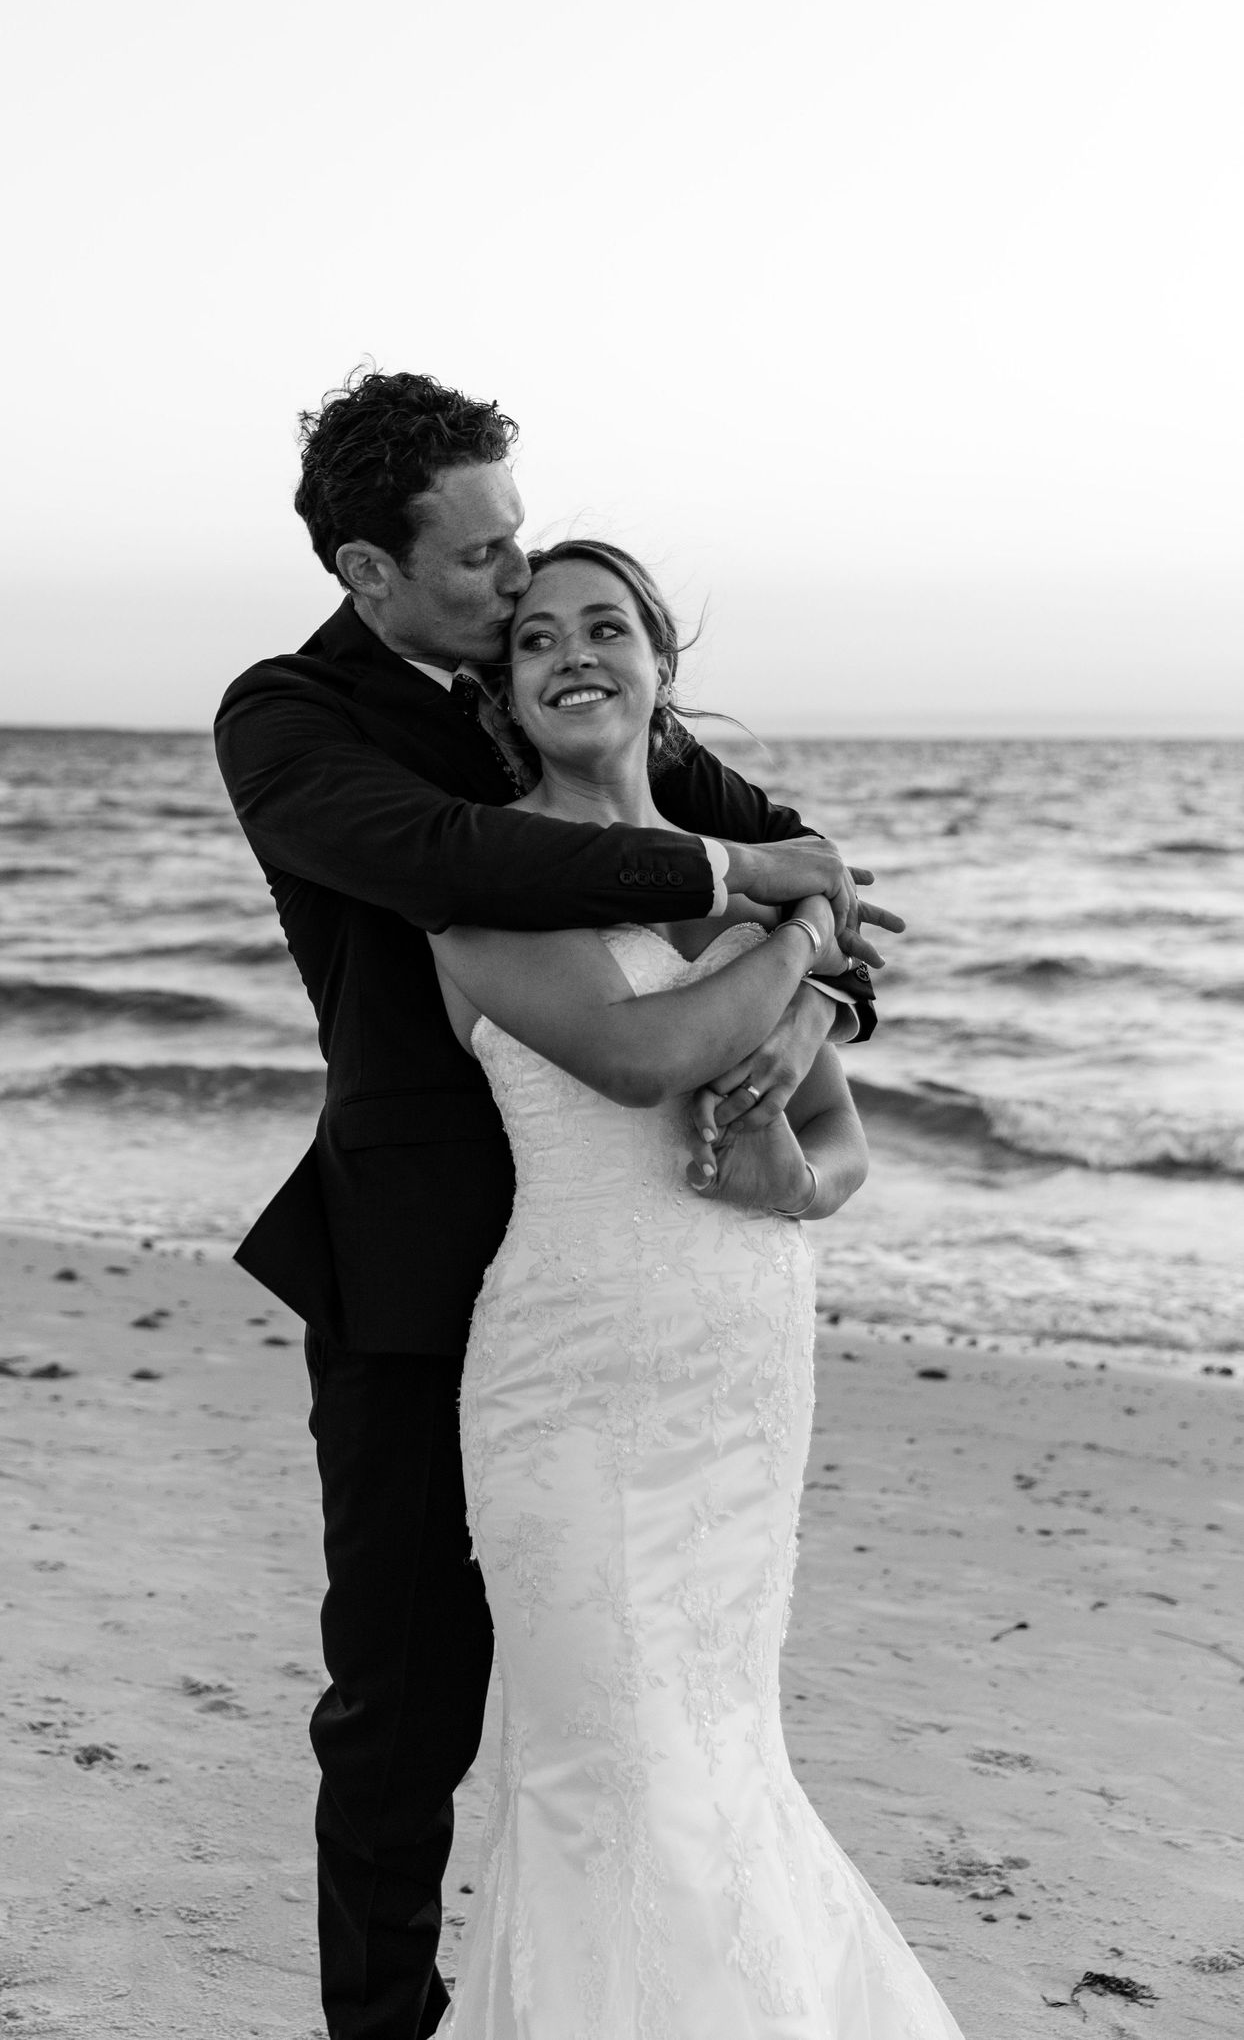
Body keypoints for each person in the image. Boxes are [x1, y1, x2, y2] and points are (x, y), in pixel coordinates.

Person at [213, 370, 901, 2040]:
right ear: (371, 573)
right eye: (485, 563)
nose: (525, 593)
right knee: (404, 1696)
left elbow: (817, 871)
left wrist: (813, 995)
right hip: (419, 1267)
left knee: (669, 1707)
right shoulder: (289, 721)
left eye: (529, 545)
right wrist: (739, 891)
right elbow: (454, 859)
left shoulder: (582, 696)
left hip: (659, 1284)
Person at [427, 541, 964, 2037]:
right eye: (538, 636)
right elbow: (639, 1055)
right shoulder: (476, 880)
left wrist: (797, 1181)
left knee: (724, 1749)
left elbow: (845, 1140)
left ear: (665, 672)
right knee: (611, 1764)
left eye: (609, 628)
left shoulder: (741, 894)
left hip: (743, 1364)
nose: (574, 652)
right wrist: (801, 925)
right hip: (572, 1376)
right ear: (506, 690)